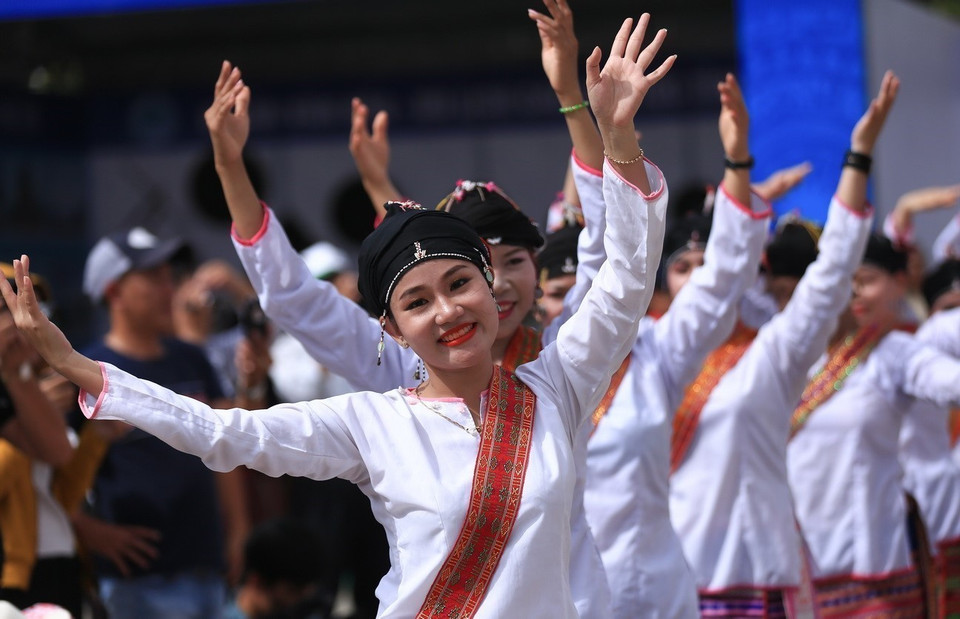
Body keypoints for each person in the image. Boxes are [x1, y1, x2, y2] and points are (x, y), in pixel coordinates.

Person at [0, 16, 672, 617]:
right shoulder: (374, 422)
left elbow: (625, 278)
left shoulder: (556, 384)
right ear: (390, 327)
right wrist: (78, 366)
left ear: (489, 282)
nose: (448, 310)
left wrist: (619, 138)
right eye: (416, 301)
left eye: (461, 282)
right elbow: (222, 431)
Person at [665, 72, 897, 615]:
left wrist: (857, 156)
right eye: (682, 268)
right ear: (663, 284)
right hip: (671, 586)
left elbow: (833, 269)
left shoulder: (771, 351)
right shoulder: (648, 356)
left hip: (758, 581)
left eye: (711, 264)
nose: (700, 276)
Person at [72, 227, 251, 618]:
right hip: (134, 581)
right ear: (113, 291)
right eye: (152, 277)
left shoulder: (191, 358)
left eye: (168, 275)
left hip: (206, 562)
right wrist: (87, 531)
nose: (168, 287)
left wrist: (238, 529)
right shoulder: (86, 370)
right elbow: (51, 467)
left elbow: (228, 444)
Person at [787, 233, 960, 617]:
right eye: (842, 282)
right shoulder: (787, 358)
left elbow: (946, 379)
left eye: (863, 280)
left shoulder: (891, 351)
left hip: (873, 573)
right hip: (798, 572)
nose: (854, 293)